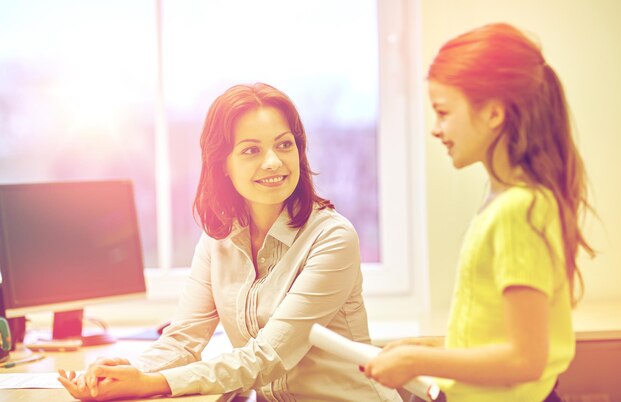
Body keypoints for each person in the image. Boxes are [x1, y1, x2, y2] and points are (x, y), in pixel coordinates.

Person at [58, 83, 402, 401]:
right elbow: (184, 338)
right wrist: (127, 373)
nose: (273, 162)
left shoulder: (332, 238)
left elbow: (269, 356)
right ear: (222, 163)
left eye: (284, 144)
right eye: (251, 150)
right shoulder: (218, 239)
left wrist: (153, 383)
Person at [363, 23, 595, 402]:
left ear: (492, 114)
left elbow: (525, 359)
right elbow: (493, 339)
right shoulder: (508, 201)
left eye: (442, 112)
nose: (436, 129)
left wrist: (420, 360)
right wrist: (427, 349)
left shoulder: (519, 210)